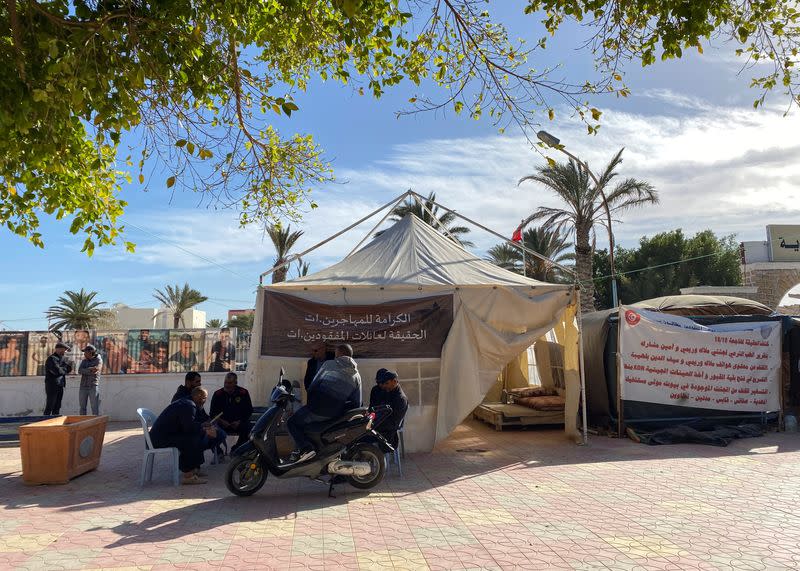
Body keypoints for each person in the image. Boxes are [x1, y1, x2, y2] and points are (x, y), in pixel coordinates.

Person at [286, 343, 362, 464]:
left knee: (291, 422)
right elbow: (357, 402)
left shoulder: (329, 364)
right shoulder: (357, 376)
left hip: (316, 409)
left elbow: (312, 387)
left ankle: (306, 449)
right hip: (336, 414)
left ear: (338, 354)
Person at [149, 387, 217, 485]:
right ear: (197, 396)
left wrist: (202, 427)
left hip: (162, 436)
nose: (205, 401)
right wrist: (206, 430)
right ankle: (188, 476)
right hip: (159, 440)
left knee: (195, 436)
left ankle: (194, 469)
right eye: (204, 398)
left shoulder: (186, 402)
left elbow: (187, 424)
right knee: (190, 440)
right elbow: (188, 428)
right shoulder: (189, 406)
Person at [172, 371, 227, 456]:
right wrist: (203, 425)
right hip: (184, 431)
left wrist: (209, 421)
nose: (200, 384)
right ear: (188, 382)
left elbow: (202, 414)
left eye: (200, 382)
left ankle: (212, 453)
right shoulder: (182, 398)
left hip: (195, 426)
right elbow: (186, 422)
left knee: (219, 432)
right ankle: (194, 459)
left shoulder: (195, 395)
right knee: (212, 434)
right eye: (197, 382)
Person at [209, 372, 253, 452]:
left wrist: (239, 422)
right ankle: (218, 452)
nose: (227, 385)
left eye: (229, 383)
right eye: (225, 382)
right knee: (209, 430)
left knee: (249, 429)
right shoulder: (218, 394)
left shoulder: (243, 393)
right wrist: (221, 421)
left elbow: (249, 410)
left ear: (235, 383)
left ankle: (236, 449)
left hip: (238, 423)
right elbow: (212, 413)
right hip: (222, 424)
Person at [369, 369, 409, 449]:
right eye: (381, 383)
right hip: (377, 425)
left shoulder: (401, 399)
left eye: (386, 383)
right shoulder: (385, 390)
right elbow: (372, 409)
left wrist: (373, 425)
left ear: (394, 381)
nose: (383, 386)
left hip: (387, 433)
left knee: (363, 440)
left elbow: (393, 423)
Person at [44, 342, 72, 415]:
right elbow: (56, 371)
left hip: (60, 384)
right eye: (64, 350)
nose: (65, 352)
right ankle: (45, 421)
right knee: (50, 404)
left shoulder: (62, 359)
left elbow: (69, 368)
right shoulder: (52, 359)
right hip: (52, 385)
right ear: (58, 349)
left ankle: (55, 421)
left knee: (57, 405)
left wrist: (63, 369)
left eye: (65, 350)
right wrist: (64, 369)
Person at [78, 344, 103, 415]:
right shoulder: (84, 361)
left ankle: (95, 424)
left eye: (86, 352)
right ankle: (82, 424)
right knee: (82, 407)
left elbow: (96, 370)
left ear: (91, 352)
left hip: (93, 386)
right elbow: (80, 371)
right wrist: (89, 369)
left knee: (94, 407)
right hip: (83, 386)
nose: (84, 354)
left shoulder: (98, 360)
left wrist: (86, 370)